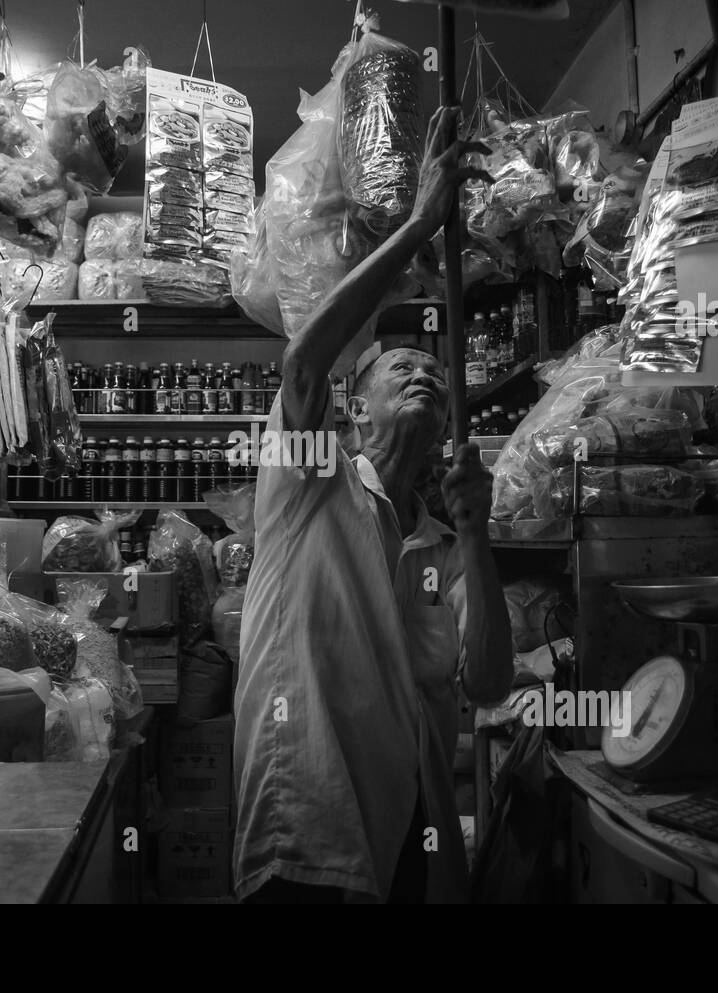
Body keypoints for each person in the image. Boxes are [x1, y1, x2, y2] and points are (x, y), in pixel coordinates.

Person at [233, 105, 514, 904]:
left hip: (410, 832)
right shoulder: (312, 480)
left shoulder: (440, 539)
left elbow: (489, 682)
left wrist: (477, 534)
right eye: (399, 369)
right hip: (309, 816)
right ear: (353, 409)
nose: (424, 373)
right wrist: (421, 224)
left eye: (433, 371)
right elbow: (304, 358)